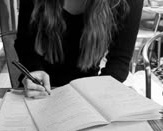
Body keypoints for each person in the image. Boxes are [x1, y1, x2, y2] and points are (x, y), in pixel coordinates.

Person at [14, 0, 143, 98]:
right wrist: (33, 69)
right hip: (38, 91)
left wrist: (101, 92)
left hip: (90, 94)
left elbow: (119, 60)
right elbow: (25, 44)